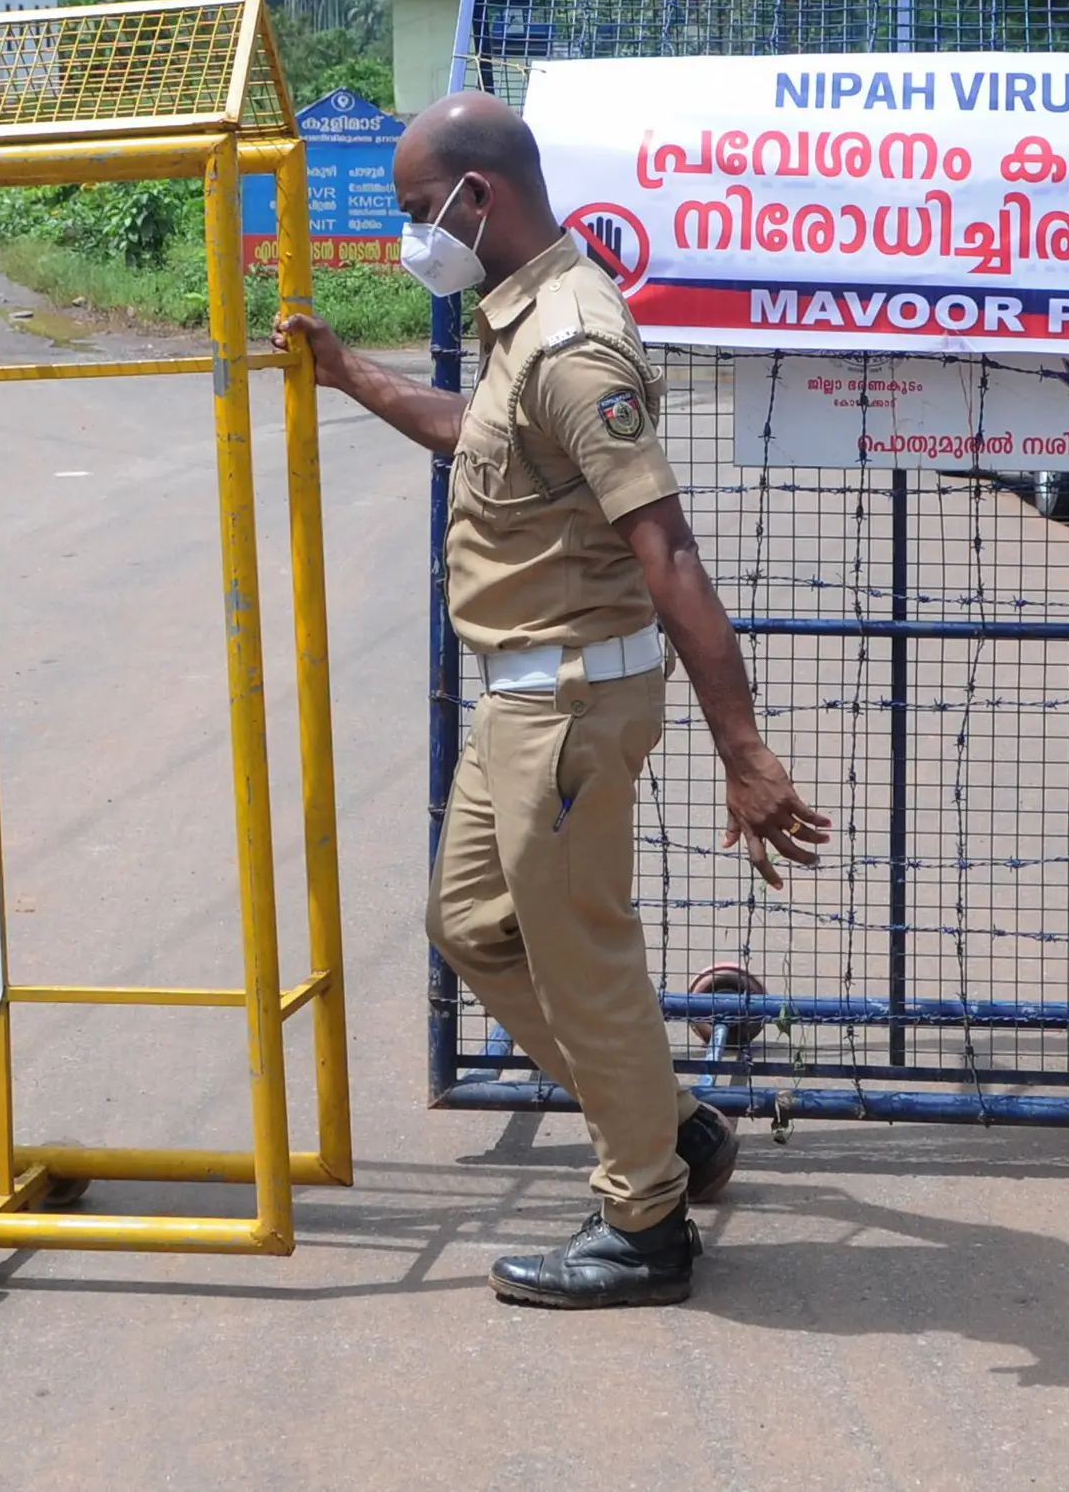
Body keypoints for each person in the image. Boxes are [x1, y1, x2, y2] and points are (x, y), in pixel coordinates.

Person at [276, 90, 830, 1309]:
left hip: (567, 707)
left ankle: (645, 1225)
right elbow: (480, 442)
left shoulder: (573, 344)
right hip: (524, 701)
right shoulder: (519, 321)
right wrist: (346, 375)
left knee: (584, 963)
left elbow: (668, 553)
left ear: (482, 195)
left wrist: (745, 750)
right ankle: (675, 1130)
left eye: (424, 211)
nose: (415, 234)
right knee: (472, 925)